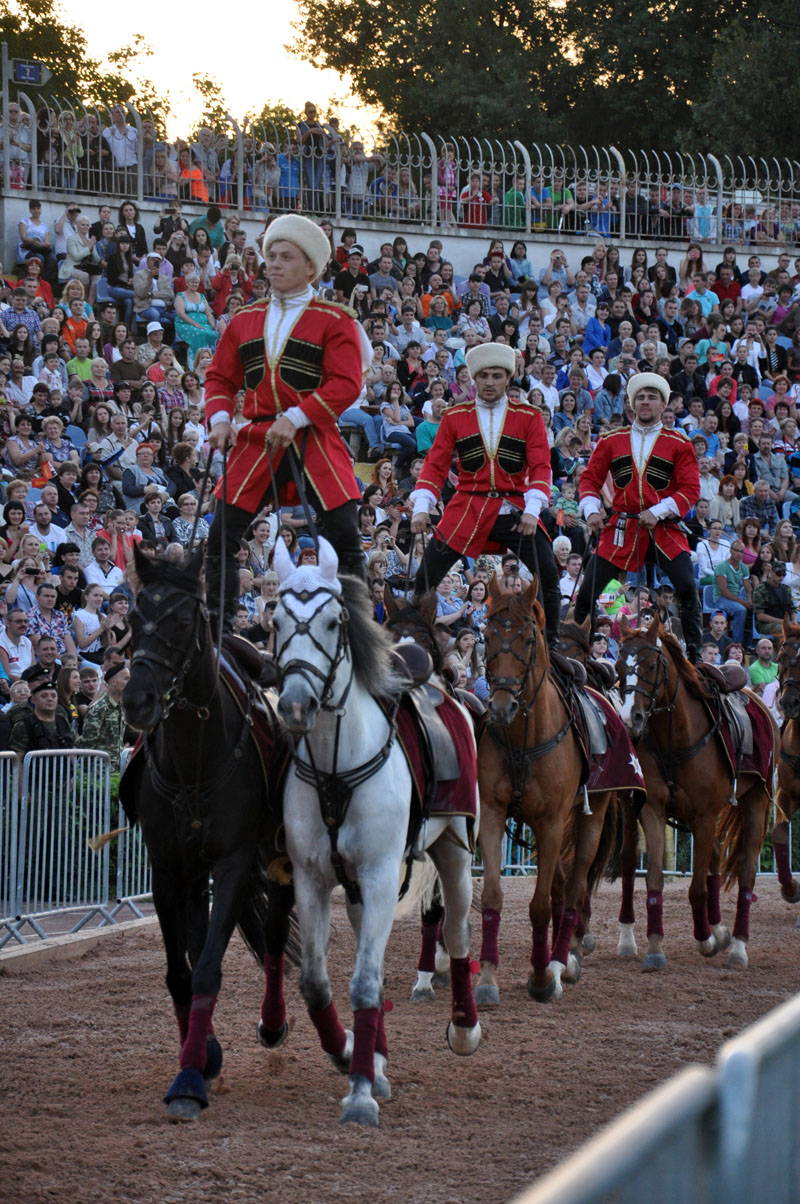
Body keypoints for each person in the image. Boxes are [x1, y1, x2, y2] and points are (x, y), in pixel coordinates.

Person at [204, 214, 370, 626]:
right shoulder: (244, 319)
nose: (273, 264)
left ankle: (358, 628)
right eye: (271, 256)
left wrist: (296, 417)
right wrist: (220, 419)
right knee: (220, 539)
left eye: (285, 257)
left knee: (346, 540)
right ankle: (219, 629)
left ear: (310, 267)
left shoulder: (335, 318)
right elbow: (220, 377)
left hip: (315, 438)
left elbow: (345, 383)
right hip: (258, 438)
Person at [410, 342, 561, 645]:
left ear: (508, 378)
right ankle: (416, 640)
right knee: (425, 577)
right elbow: (435, 464)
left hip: (515, 510)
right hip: (467, 507)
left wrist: (533, 510)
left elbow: (542, 466)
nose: (489, 382)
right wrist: (422, 506)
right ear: (473, 379)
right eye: (483, 376)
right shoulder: (454, 416)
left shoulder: (529, 416)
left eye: (496, 375)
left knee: (549, 575)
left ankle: (550, 646)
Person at [574, 372, 703, 662]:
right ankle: (580, 656)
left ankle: (695, 658)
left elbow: (690, 489)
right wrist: (592, 510)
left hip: (665, 529)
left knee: (686, 586)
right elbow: (589, 480)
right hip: (621, 527)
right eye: (640, 397)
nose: (645, 402)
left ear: (663, 405)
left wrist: (658, 512)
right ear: (632, 404)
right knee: (588, 589)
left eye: (652, 397)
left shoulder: (679, 443)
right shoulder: (610, 441)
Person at [77, 661, 130, 772]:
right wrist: (86, 774)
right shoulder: (99, 708)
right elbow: (87, 744)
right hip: (99, 771)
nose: (130, 682)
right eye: (126, 679)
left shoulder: (122, 706)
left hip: (117, 769)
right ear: (113, 682)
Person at [10, 674, 74, 757]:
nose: (50, 699)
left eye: (53, 696)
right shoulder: (24, 725)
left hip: (63, 769)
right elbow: (18, 757)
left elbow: (72, 750)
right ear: (33, 700)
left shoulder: (63, 721)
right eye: (44, 696)